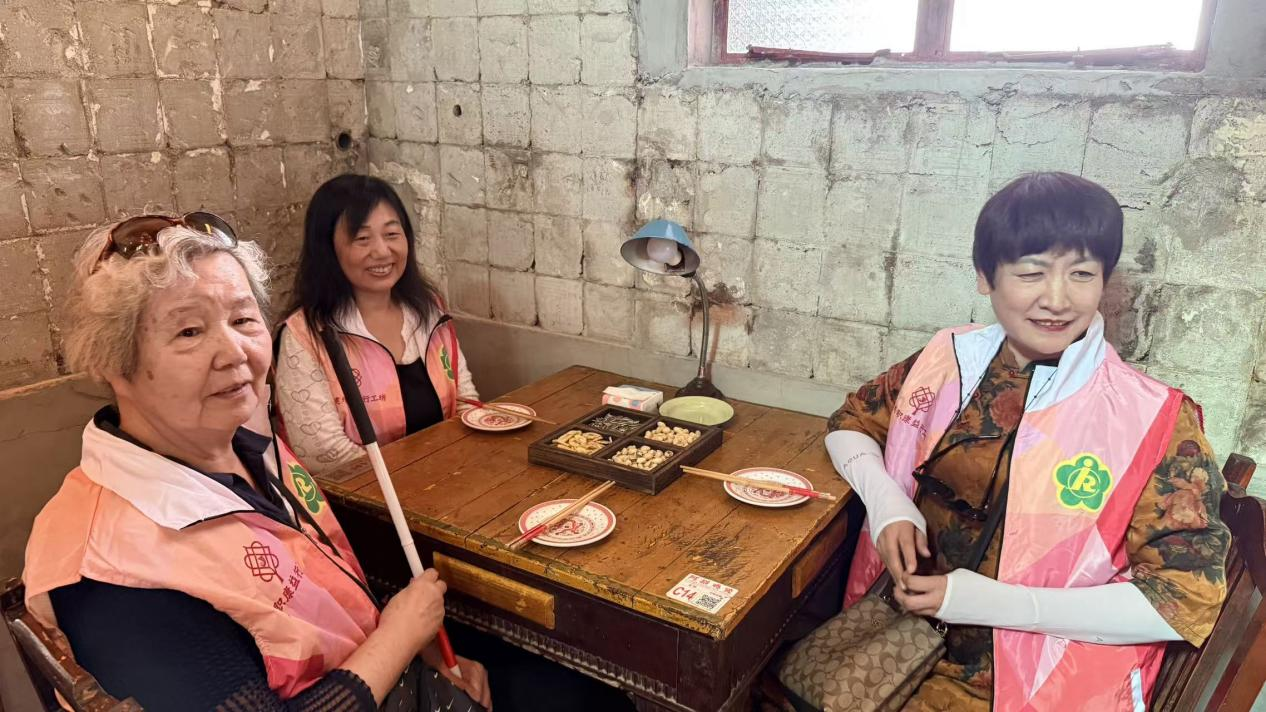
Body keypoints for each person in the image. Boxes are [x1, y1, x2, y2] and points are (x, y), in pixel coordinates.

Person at [22, 214, 491, 711]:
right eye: (189, 331)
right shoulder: (113, 570)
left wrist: (410, 642)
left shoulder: (250, 449)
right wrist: (398, 637)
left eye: (244, 320)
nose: (234, 352)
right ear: (112, 362)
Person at [825, 173, 1230, 710]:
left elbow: (1184, 601)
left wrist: (995, 603)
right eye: (1031, 272)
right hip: (898, 636)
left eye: (1081, 274)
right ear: (985, 277)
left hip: (1039, 672)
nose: (1057, 300)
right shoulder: (948, 359)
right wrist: (886, 502)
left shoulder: (1154, 418)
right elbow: (851, 422)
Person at [273, 175, 479, 475]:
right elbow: (323, 453)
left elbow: (465, 401)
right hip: (361, 498)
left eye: (392, 234)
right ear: (328, 249)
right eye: (362, 239)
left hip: (446, 480)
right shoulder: (305, 336)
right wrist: (416, 480)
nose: (382, 251)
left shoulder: (428, 310)